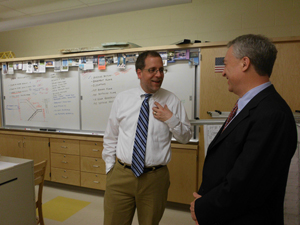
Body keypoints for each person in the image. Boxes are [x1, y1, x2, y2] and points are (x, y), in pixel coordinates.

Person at [190, 34, 298, 225]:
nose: (223, 72)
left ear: (244, 63)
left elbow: (247, 185)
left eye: (226, 64)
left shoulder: (272, 114)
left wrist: (204, 207)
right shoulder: (248, 106)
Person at [103, 50, 192, 225]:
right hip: (121, 176)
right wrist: (110, 169)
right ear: (139, 73)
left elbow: (185, 137)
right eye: (152, 70)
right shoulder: (122, 99)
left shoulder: (171, 100)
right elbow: (111, 136)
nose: (158, 75)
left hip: (154, 179)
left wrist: (170, 119)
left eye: (161, 70)